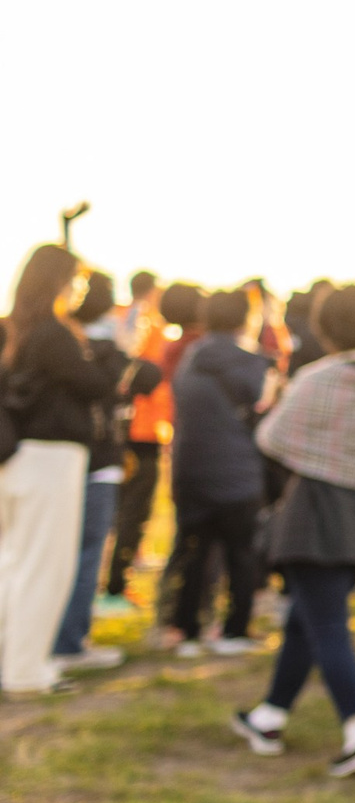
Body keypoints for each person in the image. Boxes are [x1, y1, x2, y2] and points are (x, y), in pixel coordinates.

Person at [232, 285, 355, 776]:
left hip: (317, 518)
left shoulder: (317, 380)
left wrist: (328, 457)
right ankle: (269, 716)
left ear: (323, 327)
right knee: (308, 616)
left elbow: (271, 439)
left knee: (326, 625)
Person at [1, 246, 124, 697]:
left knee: (15, 563)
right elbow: (96, 386)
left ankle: (15, 662)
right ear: (57, 281)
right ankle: (26, 672)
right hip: (49, 459)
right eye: (75, 281)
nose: (78, 291)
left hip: (20, 459)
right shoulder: (53, 334)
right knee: (42, 567)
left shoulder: (17, 329)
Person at [51, 274, 155, 674]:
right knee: (86, 551)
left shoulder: (55, 338)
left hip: (64, 460)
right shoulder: (103, 350)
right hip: (94, 459)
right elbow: (146, 379)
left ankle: (51, 636)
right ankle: (69, 641)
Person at [167, 289, 271, 656]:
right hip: (238, 472)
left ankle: (187, 630)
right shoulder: (254, 365)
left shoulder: (190, 360)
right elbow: (265, 418)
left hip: (190, 470)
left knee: (194, 554)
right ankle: (234, 630)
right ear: (247, 318)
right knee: (241, 555)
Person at [110, 282, 195, 614]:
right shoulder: (147, 325)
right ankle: (116, 584)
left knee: (126, 510)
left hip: (133, 428)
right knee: (133, 511)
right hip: (142, 430)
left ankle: (118, 579)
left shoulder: (122, 318)